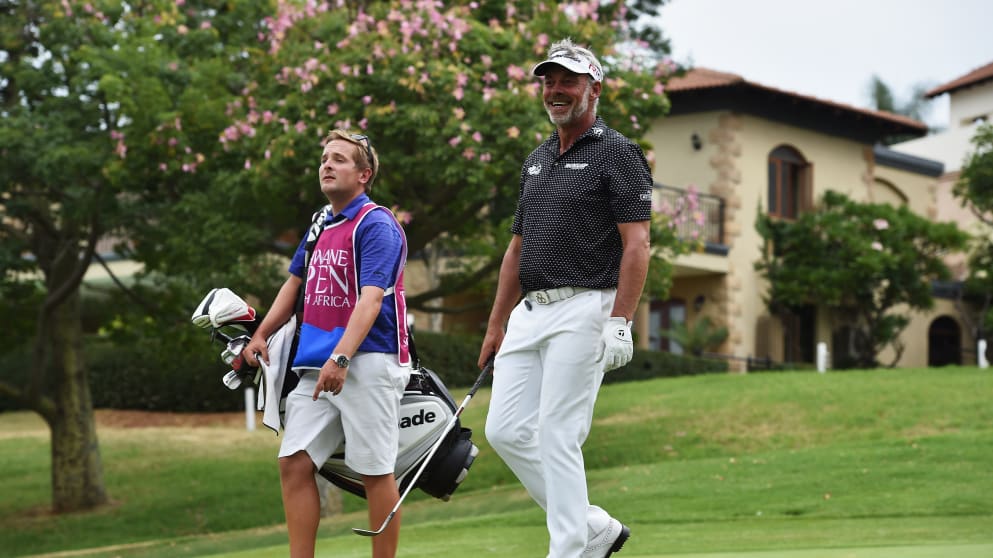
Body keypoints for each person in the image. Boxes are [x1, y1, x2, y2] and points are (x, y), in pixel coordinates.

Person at [477, 38, 653, 558]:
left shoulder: (618, 152)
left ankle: (570, 549)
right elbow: (517, 248)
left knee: (558, 433)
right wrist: (496, 324)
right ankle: (592, 525)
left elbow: (637, 245)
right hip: (530, 312)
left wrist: (620, 321)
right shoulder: (536, 160)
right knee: (505, 430)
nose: (555, 90)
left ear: (593, 89)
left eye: (568, 81)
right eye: (549, 81)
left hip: (587, 306)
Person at [245, 130, 411, 558]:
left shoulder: (376, 223)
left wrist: (342, 356)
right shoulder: (322, 221)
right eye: (324, 158)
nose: (327, 165)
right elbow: (295, 283)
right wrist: (262, 332)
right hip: (316, 365)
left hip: (368, 360)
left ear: (364, 174)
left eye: (339, 159)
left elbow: (372, 299)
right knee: (294, 462)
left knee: (375, 472)